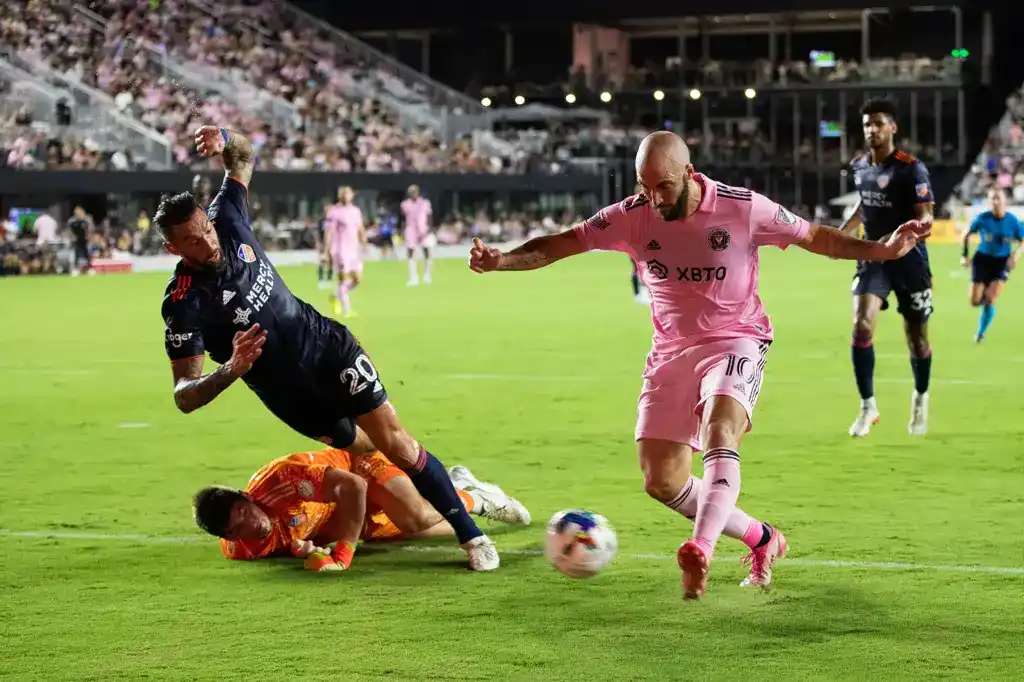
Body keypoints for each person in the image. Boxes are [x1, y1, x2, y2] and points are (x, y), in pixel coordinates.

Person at [467, 130, 929, 599]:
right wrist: (501, 260)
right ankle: (761, 538)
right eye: (642, 186)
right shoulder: (634, 215)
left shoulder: (743, 207)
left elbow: (815, 237)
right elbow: (564, 242)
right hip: (670, 353)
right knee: (661, 481)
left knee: (720, 429)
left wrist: (882, 250)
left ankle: (700, 548)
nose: (652, 197)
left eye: (662, 186)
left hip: (737, 338)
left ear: (689, 174)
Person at [159, 125, 500, 571]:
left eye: (205, 229)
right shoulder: (183, 302)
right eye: (191, 240)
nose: (207, 242)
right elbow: (184, 394)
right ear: (171, 247)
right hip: (289, 396)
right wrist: (231, 370)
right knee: (366, 450)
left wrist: (224, 137)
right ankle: (456, 488)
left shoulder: (228, 218)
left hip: (327, 347)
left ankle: (472, 538)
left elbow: (243, 157)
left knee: (396, 444)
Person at [193, 448, 531, 569]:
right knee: (409, 532)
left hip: (356, 466)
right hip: (342, 515)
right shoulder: (241, 549)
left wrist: (344, 550)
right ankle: (461, 488)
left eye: (245, 512)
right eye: (237, 529)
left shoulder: (283, 479)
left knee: (413, 518)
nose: (252, 525)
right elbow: (296, 539)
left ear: (245, 496)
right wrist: (306, 551)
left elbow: (352, 486)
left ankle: (481, 498)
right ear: (228, 537)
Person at [840, 98, 936, 438]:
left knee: (917, 339)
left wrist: (914, 229)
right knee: (861, 326)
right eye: (867, 124)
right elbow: (863, 207)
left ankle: (920, 397)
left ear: (892, 127)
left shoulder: (911, 168)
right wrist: (841, 233)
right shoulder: (858, 167)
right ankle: (868, 406)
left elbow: (926, 214)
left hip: (910, 261)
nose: (872, 129)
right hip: (873, 257)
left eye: (878, 123)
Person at [961, 188, 1024, 342]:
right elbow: (966, 234)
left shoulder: (1013, 221)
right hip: (982, 261)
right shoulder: (982, 218)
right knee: (975, 301)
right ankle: (986, 303)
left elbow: (1022, 240)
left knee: (990, 299)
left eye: (998, 198)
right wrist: (964, 256)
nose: (995, 202)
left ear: (1005, 200)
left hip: (1002, 262)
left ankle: (980, 333)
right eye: (992, 199)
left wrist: (1015, 256)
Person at [324, 186, 366, 318]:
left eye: (348, 193)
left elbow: (360, 227)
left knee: (358, 279)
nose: (346, 195)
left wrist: (363, 241)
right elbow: (329, 231)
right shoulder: (334, 212)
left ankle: (336, 296)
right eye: (344, 193)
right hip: (341, 249)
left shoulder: (356, 211)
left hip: (354, 249)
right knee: (343, 279)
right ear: (340, 196)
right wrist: (327, 250)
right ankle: (347, 309)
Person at [400, 185, 433, 286]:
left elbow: (429, 216)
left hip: (423, 229)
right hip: (411, 229)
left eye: (415, 192)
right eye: (411, 192)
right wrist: (402, 230)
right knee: (410, 251)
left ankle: (427, 275)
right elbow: (403, 218)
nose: (413, 194)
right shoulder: (405, 204)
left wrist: (429, 228)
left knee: (426, 250)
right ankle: (413, 277)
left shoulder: (425, 203)